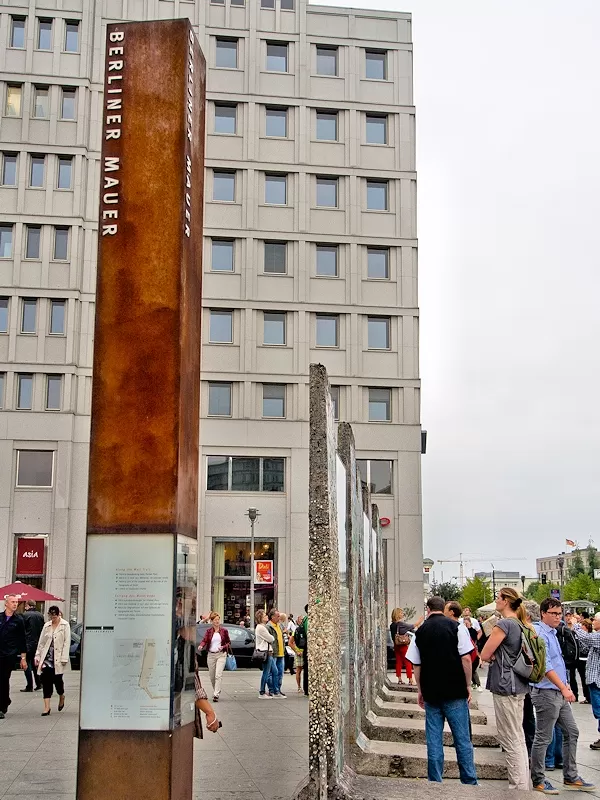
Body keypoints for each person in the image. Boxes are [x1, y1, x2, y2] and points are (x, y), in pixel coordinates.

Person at [406, 596, 477, 786]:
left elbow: (416, 665)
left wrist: (420, 690)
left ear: (428, 609)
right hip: (455, 690)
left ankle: (435, 781)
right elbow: (466, 658)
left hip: (431, 691)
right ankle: (469, 781)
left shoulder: (420, 632)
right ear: (443, 607)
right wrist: (467, 685)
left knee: (434, 740)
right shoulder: (457, 627)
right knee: (462, 739)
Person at [528, 597, 594, 794]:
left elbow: (559, 663)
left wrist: (566, 686)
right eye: (554, 614)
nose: (558, 617)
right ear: (543, 614)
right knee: (543, 737)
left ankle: (570, 776)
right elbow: (546, 666)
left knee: (572, 731)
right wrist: (563, 687)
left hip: (558, 690)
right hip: (546, 692)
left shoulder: (553, 632)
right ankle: (538, 779)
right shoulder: (539, 633)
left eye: (560, 613)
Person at [480, 588, 531, 791]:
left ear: (506, 601)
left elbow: (485, 654)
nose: (496, 600)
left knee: (509, 738)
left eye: (498, 597)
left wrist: (492, 654)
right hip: (519, 683)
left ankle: (517, 787)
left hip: (505, 684)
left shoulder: (503, 625)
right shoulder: (521, 623)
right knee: (518, 736)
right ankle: (523, 784)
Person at [34, 606, 70, 716]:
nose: (53, 618)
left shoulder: (65, 625)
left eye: (55, 616)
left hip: (58, 658)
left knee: (57, 680)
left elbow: (66, 642)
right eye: (51, 616)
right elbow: (41, 642)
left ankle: (61, 695)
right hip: (47, 658)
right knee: (46, 680)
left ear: (59, 614)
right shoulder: (47, 626)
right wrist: (37, 656)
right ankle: (47, 707)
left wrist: (64, 658)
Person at [573, 612, 600, 750]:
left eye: (595, 620)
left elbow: (586, 638)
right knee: (597, 711)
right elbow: (586, 645)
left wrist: (576, 625)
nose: (593, 621)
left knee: (599, 710)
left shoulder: (598, 636)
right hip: (595, 679)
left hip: (597, 680)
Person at [0, 594, 27, 718]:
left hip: (9, 654)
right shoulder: (0, 617)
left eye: (16, 602)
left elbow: (22, 639)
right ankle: (5, 700)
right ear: (6, 603)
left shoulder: (19, 620)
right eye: (13, 602)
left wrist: (23, 658)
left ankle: (2, 706)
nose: (15, 604)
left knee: (4, 679)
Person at [198, 611, 231, 702]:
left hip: (221, 654)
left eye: (218, 620)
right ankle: (217, 689)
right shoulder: (209, 631)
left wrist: (223, 647)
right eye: (215, 620)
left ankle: (216, 694)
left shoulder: (224, 631)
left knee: (218, 675)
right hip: (211, 655)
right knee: (212, 676)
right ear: (212, 621)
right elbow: (204, 640)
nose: (217, 621)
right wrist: (201, 645)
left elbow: (228, 642)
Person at [522, 600, 541, 757]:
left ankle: (530, 750)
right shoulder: (542, 630)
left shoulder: (530, 632)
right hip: (537, 680)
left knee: (527, 716)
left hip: (528, 679)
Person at [390, 608, 422, 686]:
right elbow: (413, 626)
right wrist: (420, 620)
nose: (403, 614)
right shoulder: (401, 624)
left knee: (398, 662)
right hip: (403, 645)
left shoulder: (392, 625)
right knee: (407, 662)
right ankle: (410, 679)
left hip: (396, 645)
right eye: (401, 613)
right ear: (397, 614)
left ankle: (399, 679)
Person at [21, 600, 44, 692]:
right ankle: (39, 683)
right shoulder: (40, 615)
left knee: (25, 664)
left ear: (27, 605)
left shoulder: (25, 615)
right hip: (38, 643)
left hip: (27, 643)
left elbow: (22, 629)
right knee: (35, 664)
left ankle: (29, 685)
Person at [255, 610, 275, 698]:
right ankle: (262, 691)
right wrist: (271, 637)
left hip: (267, 651)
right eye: (265, 615)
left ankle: (272, 690)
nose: (267, 616)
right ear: (261, 618)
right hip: (265, 652)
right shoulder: (261, 628)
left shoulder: (261, 627)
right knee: (266, 672)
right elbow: (271, 639)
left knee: (273, 671)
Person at [266, 609, 286, 698]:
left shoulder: (280, 625)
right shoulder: (269, 627)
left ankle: (278, 689)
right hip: (273, 652)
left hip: (281, 652)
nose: (279, 618)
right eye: (277, 616)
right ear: (272, 617)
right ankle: (272, 689)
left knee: (280, 673)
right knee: (272, 672)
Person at [291, 615, 305, 693]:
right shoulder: (296, 631)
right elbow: (290, 643)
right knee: (299, 670)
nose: (302, 621)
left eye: (303, 620)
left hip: (305, 651)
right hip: (299, 652)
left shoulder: (306, 629)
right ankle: (299, 687)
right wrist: (297, 651)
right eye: (300, 620)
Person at [302, 604, 309, 697]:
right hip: (307, 646)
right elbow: (308, 633)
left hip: (305, 646)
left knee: (306, 667)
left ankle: (306, 688)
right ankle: (307, 689)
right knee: (307, 667)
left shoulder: (304, 619)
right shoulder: (308, 620)